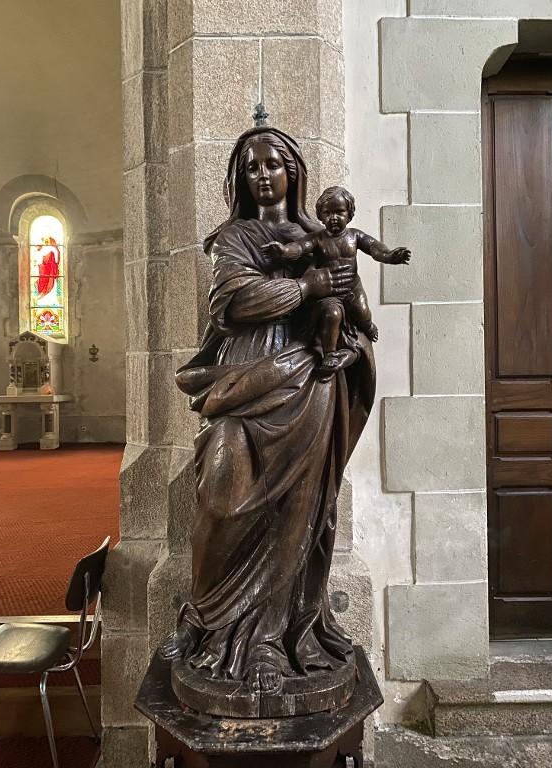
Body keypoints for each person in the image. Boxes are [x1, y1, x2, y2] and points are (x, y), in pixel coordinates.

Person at [159, 127, 377, 699]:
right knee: (221, 496)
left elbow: (354, 309)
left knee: (296, 515)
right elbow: (235, 302)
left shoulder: (322, 234)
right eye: (252, 167)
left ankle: (268, 639)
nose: (263, 175)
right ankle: (207, 615)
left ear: (293, 173)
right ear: (241, 178)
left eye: (273, 165)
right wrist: (306, 286)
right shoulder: (234, 238)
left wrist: (354, 343)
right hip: (247, 381)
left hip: (310, 382)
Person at [262, 185, 411, 377]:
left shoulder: (354, 236)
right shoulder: (317, 239)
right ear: (321, 216)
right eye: (328, 213)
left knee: (363, 311)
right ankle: (329, 353)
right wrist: (284, 251)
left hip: (352, 287)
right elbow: (299, 247)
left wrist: (389, 255)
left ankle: (368, 326)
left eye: (339, 212)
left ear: (349, 214)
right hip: (329, 292)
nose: (334, 217)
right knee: (331, 315)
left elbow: (374, 247)